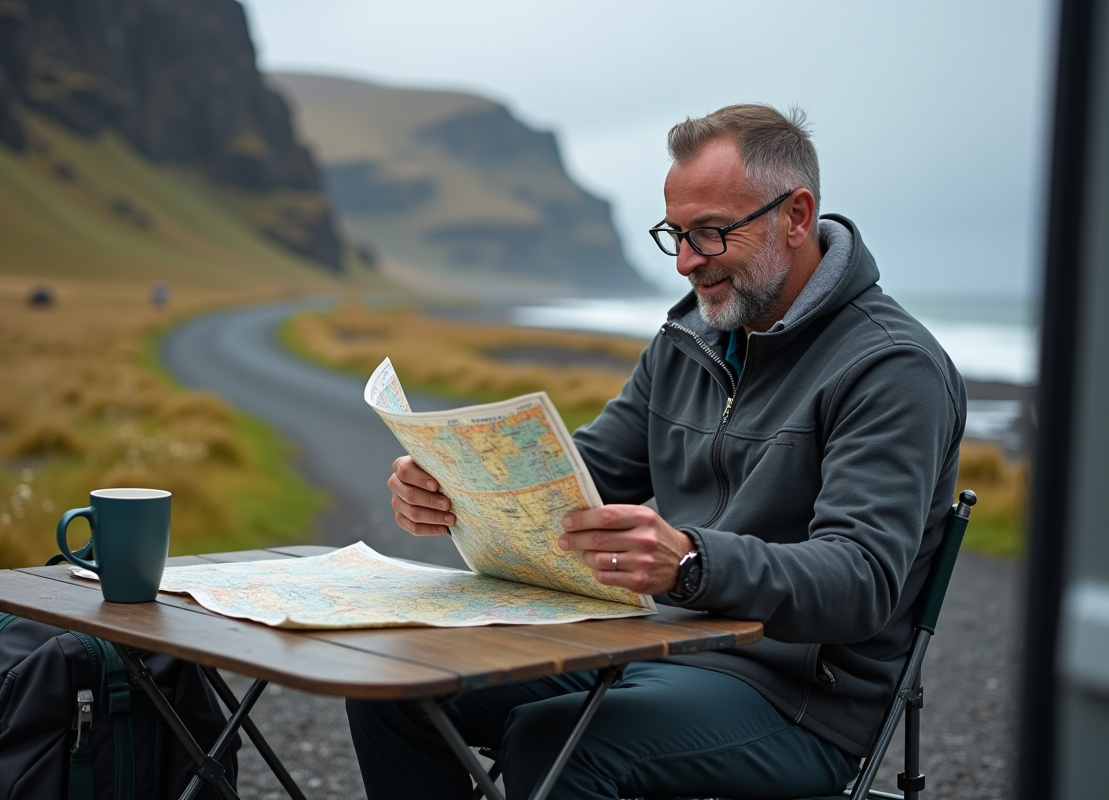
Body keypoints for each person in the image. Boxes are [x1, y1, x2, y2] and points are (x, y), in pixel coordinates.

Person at [346, 104, 966, 800]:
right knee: (394, 687)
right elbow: (582, 476)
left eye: (710, 233)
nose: (685, 262)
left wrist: (693, 564)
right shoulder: (689, 340)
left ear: (796, 217)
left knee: (556, 744)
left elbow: (862, 581)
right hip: (647, 644)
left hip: (796, 699)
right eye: (674, 234)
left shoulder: (892, 367)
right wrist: (453, 487)